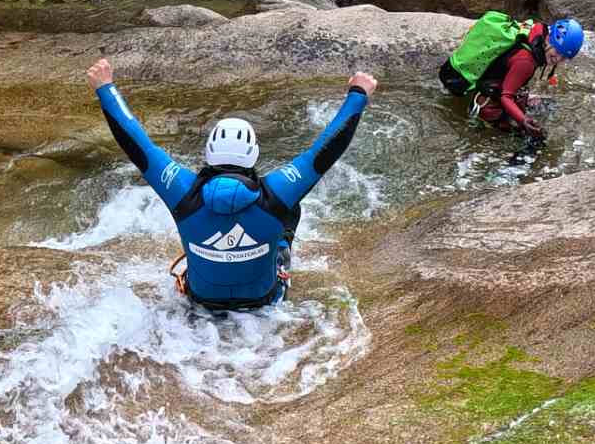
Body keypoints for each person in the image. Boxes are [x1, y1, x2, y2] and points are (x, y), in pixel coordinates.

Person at [84, 57, 377, 312]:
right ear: (253, 156)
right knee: (291, 208)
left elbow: (135, 141)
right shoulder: (277, 192)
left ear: (209, 152)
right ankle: (280, 257)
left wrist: (105, 88)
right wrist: (358, 93)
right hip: (265, 302)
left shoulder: (182, 191)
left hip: (200, 302)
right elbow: (327, 148)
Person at [438, 14, 583, 138]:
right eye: (557, 53)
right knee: (537, 139)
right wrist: (524, 120)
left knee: (548, 106)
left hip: (491, 88)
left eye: (564, 58)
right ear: (549, 40)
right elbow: (505, 97)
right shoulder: (526, 61)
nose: (558, 59)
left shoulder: (536, 36)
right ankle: (512, 169)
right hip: (487, 106)